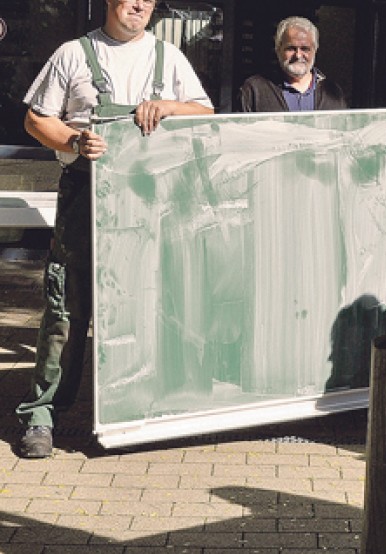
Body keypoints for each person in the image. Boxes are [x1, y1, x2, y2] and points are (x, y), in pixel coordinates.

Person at [17, 0, 214, 458]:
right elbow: (34, 118)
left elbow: (205, 115)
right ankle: (42, 414)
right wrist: (72, 139)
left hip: (152, 198)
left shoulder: (169, 58)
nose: (141, 5)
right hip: (86, 195)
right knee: (68, 306)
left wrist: (167, 107)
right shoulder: (73, 53)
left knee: (148, 302)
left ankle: (137, 413)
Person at [239, 16, 346, 112]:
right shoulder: (255, 90)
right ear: (278, 49)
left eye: (305, 49)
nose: (298, 55)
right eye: (291, 48)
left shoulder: (332, 92)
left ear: (315, 50)